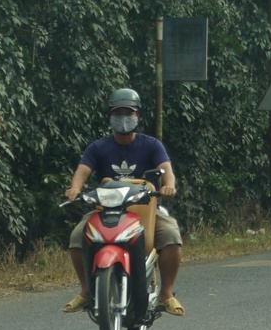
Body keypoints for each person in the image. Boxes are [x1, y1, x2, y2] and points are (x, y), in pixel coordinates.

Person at [61, 89, 185, 316]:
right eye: (118, 113)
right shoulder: (98, 147)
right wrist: (75, 188)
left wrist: (168, 186)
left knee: (171, 237)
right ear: (110, 116)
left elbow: (167, 170)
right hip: (104, 211)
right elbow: (82, 171)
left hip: (146, 211)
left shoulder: (151, 145)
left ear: (137, 116)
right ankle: (87, 291)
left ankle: (166, 294)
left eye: (129, 113)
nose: (123, 118)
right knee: (78, 237)